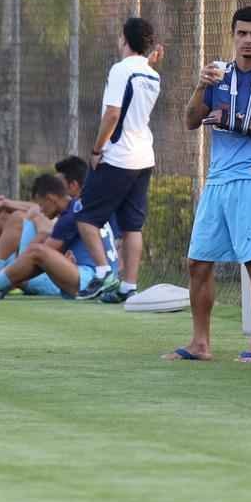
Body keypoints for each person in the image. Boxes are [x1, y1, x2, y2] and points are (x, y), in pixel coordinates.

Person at [165, 6, 251, 363]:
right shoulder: (218, 75)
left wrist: (241, 122)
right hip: (217, 180)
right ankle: (200, 343)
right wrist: (199, 87)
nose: (248, 41)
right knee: (198, 263)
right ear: (233, 35)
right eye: (242, 34)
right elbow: (191, 121)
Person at [75, 17, 161, 304]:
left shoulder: (121, 69)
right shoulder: (152, 74)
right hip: (143, 157)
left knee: (86, 216)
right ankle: (128, 288)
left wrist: (97, 149)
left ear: (124, 39)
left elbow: (112, 114)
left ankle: (103, 274)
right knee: (132, 226)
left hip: (118, 157)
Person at [0, 174, 117, 299]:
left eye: (41, 205)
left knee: (36, 252)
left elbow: (35, 258)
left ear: (51, 199)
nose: (40, 209)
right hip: (104, 276)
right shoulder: (80, 207)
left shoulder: (68, 218)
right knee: (36, 253)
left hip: (90, 278)